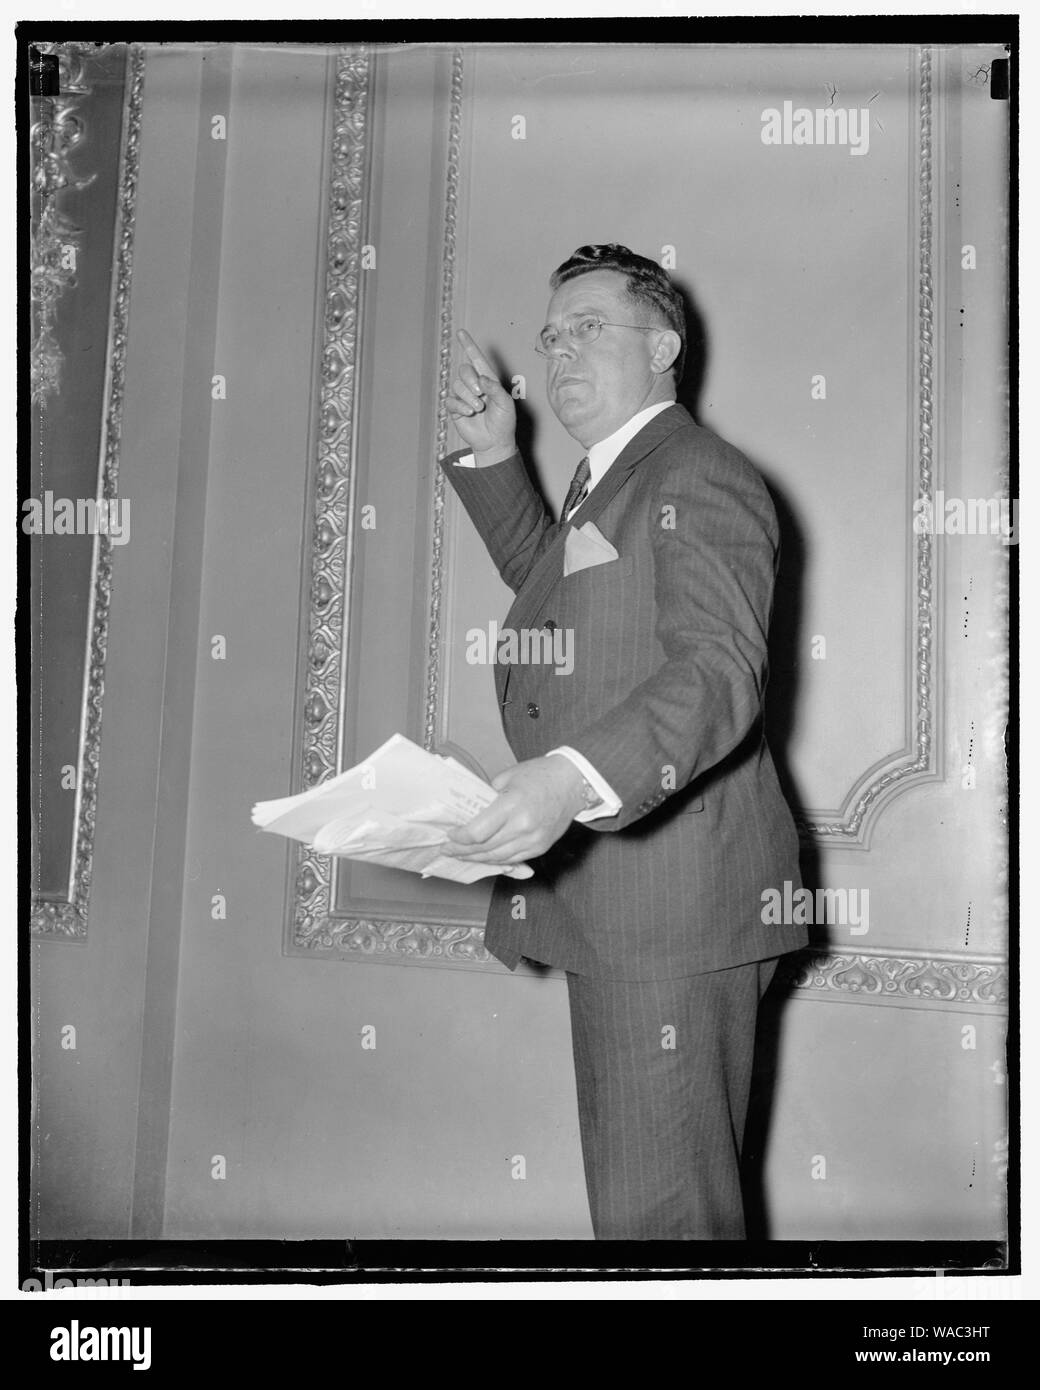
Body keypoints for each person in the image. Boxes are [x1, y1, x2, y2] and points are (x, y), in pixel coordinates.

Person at [440, 244, 807, 1239]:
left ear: (663, 344)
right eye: (551, 334)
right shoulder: (618, 484)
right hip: (639, 914)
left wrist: (566, 776)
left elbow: (717, 672)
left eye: (589, 326)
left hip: (668, 922)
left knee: (663, 1225)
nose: (558, 350)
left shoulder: (699, 474)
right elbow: (562, 593)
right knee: (654, 1217)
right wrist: (494, 455)